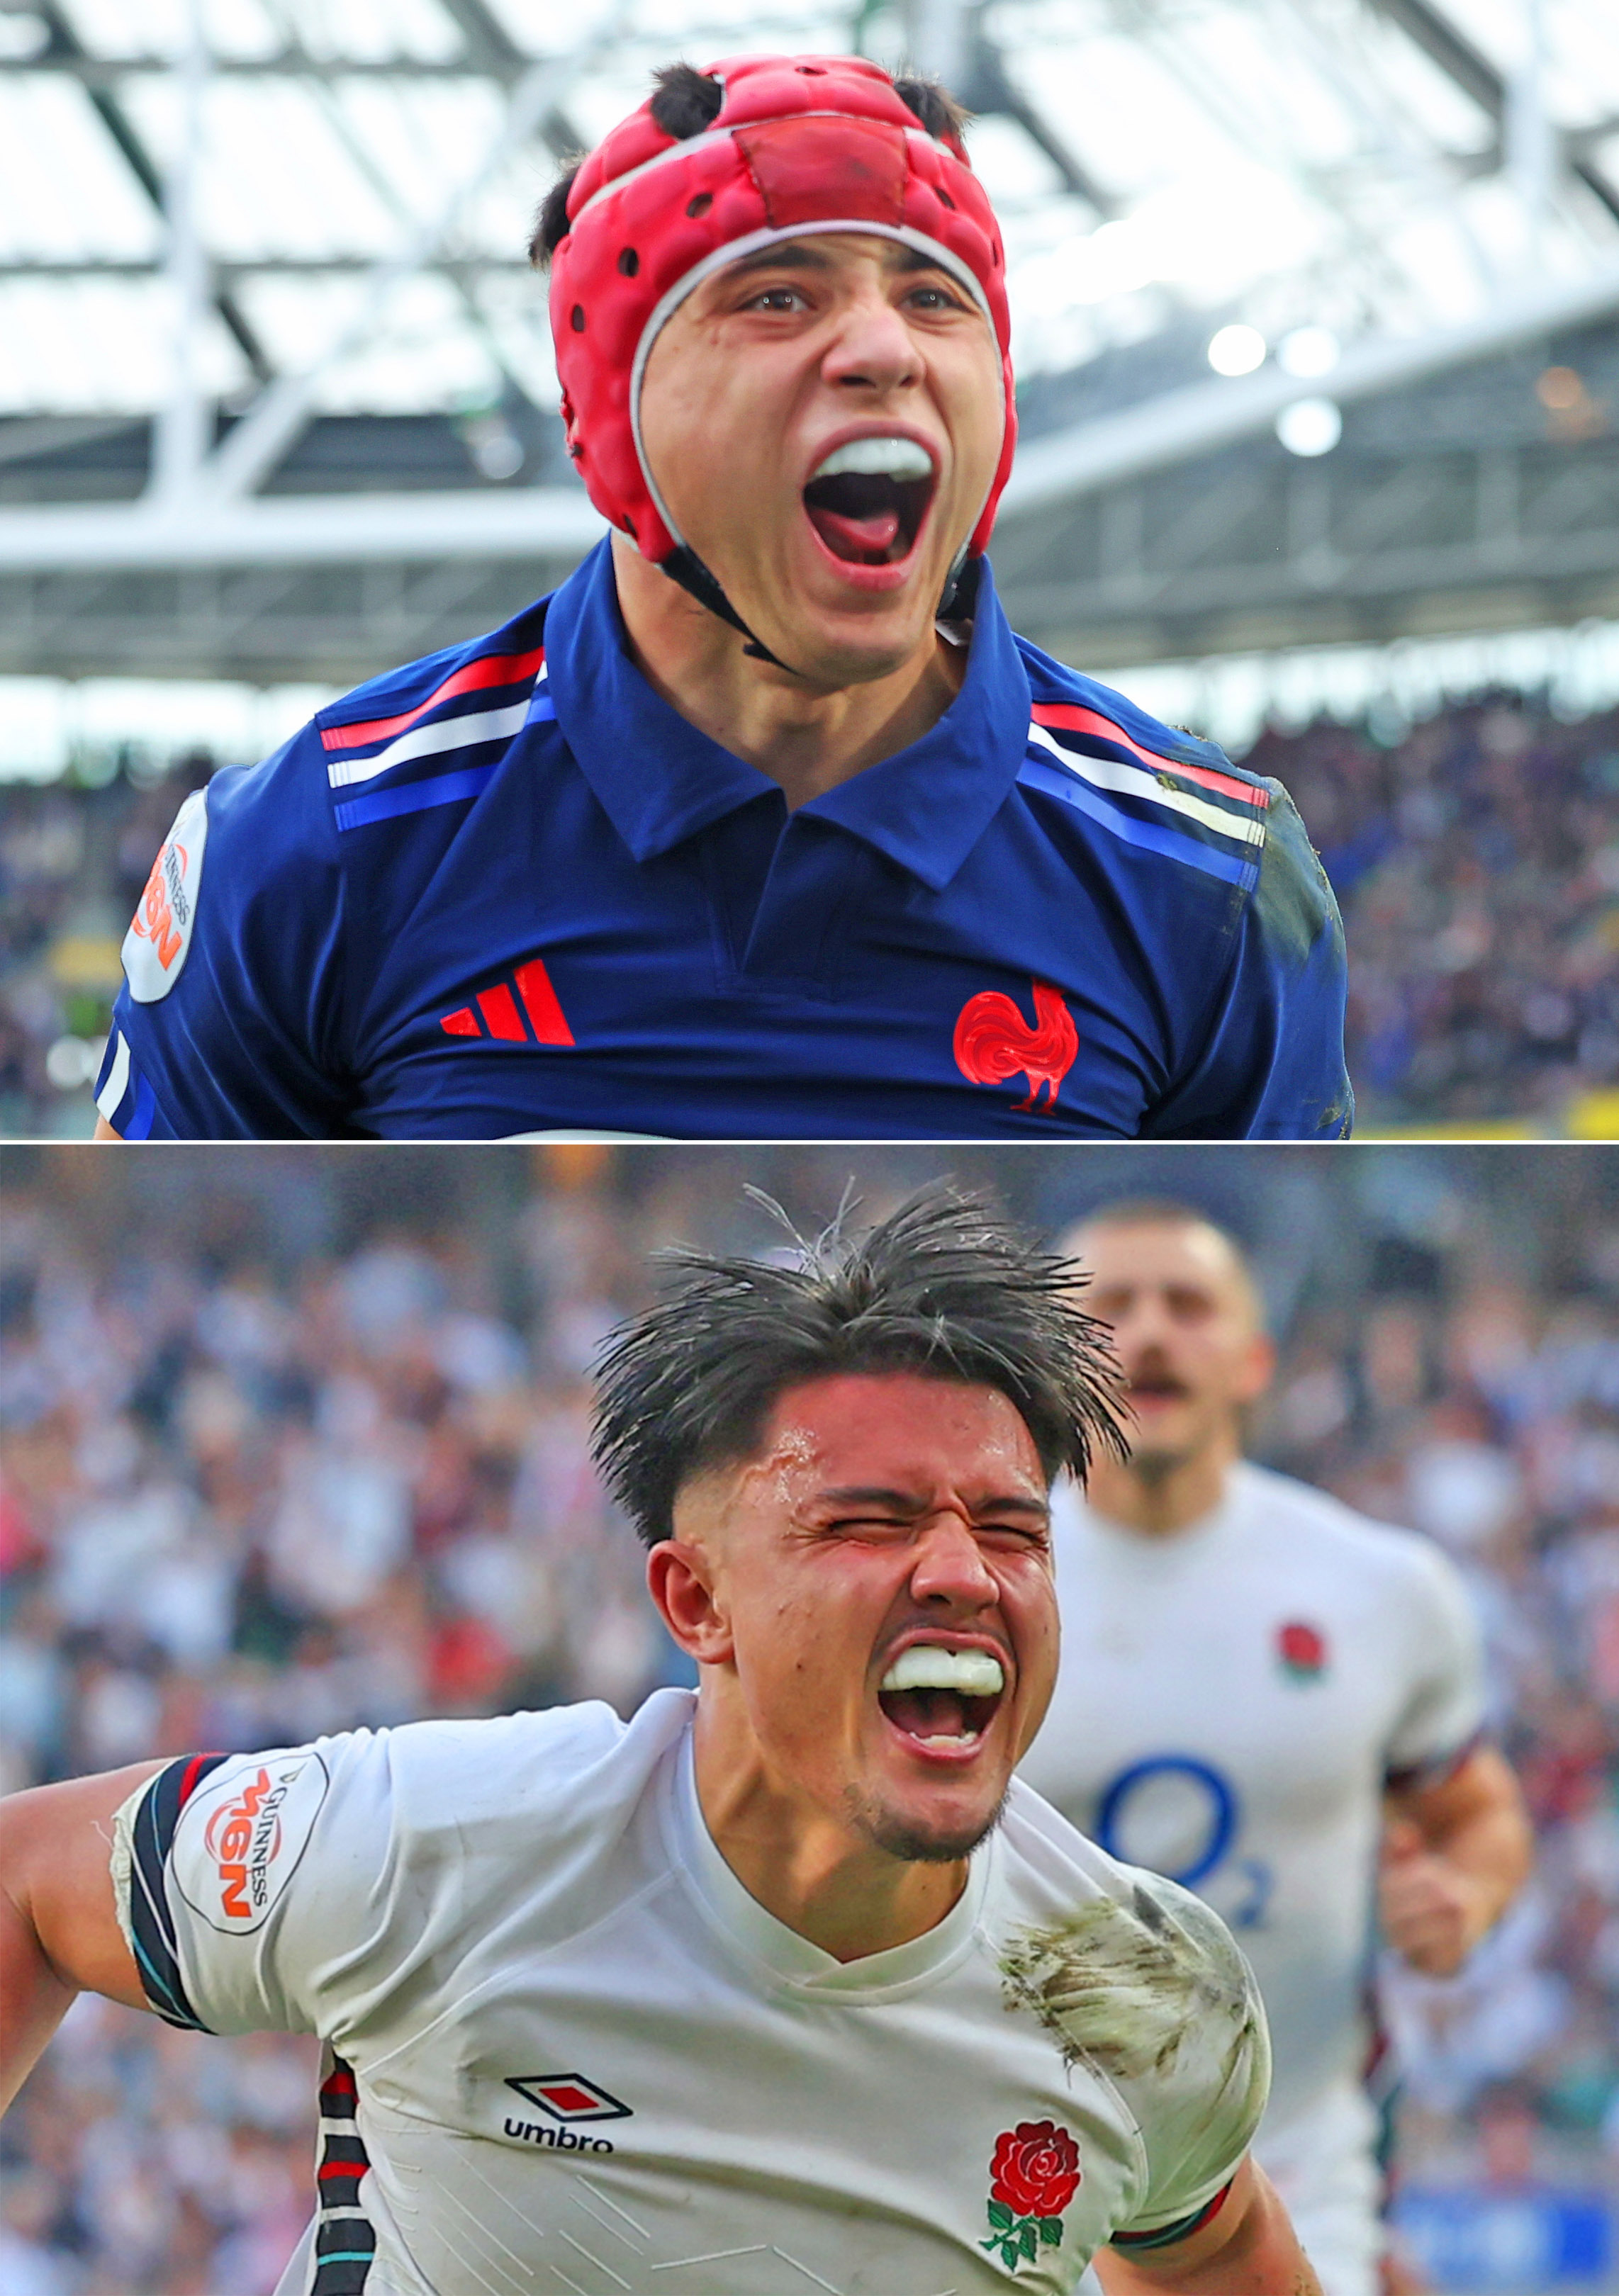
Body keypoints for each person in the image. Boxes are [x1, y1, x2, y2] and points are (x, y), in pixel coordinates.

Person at [0, 1190, 1328, 2296]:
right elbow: (28, 1884)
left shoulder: (1140, 1994)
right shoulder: (431, 1844)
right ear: (698, 1604)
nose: (962, 1573)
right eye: (866, 1522)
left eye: (1013, 1529)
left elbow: (1219, 2251)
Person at [94, 56, 1350, 1142]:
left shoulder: (1209, 879)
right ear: (615, 419)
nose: (883, 349)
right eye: (778, 296)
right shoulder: (318, 847)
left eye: (934, 297)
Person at [1016, 1202, 1534, 2296]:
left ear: (1253, 1359)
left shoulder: (1384, 1590)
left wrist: (1465, 1897)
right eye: (1113, 1305)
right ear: (1056, 1362)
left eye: (1189, 1304)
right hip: (1010, 2140)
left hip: (1290, 2151)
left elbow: (1476, 1812)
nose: (1151, 1331)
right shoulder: (977, 1586)